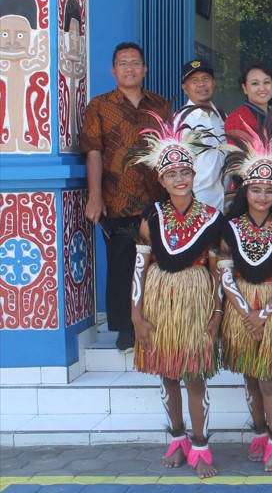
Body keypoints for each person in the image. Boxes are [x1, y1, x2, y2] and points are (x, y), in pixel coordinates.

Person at [125, 112, 223, 479]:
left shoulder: (212, 218)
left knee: (195, 377)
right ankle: (178, 440)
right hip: (159, 303)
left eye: (185, 172)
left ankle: (201, 446)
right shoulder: (151, 217)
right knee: (167, 375)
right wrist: (136, 315)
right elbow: (140, 267)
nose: (179, 179)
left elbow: (217, 272)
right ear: (160, 179)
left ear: (194, 175)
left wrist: (216, 315)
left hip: (195, 303)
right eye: (171, 174)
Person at [217, 127, 272, 472]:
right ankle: (258, 433)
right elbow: (225, 274)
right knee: (249, 376)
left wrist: (262, 315)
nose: (263, 196)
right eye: (256, 189)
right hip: (241, 305)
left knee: (268, 377)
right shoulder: (230, 227)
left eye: (270, 190)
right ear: (245, 190)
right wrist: (245, 312)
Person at [80, 42, 170, 352]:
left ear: (145, 69)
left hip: (156, 198)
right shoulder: (99, 105)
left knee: (156, 263)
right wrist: (95, 196)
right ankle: (125, 329)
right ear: (113, 70)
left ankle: (155, 321)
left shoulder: (160, 105)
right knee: (122, 265)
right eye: (123, 63)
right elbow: (93, 152)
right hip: (117, 198)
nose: (129, 68)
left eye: (134, 63)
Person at [224, 62, 272, 211]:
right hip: (248, 198)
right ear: (244, 88)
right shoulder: (236, 118)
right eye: (255, 83)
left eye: (267, 82)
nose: (262, 88)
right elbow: (237, 163)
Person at [176, 59, 225, 210]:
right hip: (197, 206)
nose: (201, 84)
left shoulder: (222, 117)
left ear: (214, 83)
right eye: (194, 80)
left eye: (205, 78)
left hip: (225, 205)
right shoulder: (180, 122)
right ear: (185, 88)